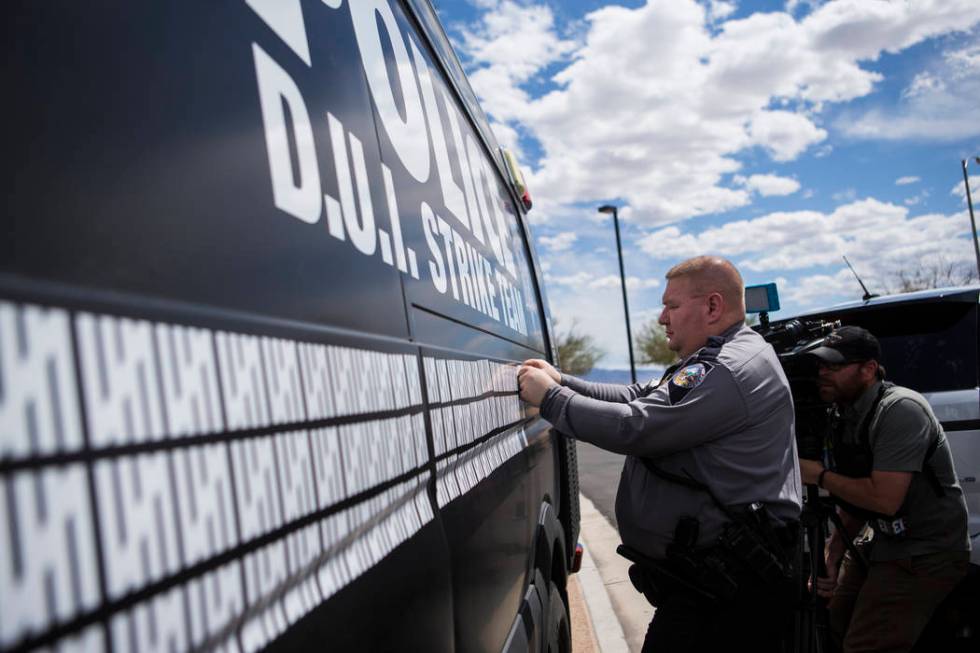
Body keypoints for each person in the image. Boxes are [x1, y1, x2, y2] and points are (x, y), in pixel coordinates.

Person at [518, 255, 802, 652]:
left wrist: (552, 400)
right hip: (711, 584)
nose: (661, 318)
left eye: (672, 306)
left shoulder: (728, 368)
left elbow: (637, 426)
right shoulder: (718, 356)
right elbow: (641, 397)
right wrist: (563, 381)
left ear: (713, 306)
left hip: (727, 592)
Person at [799, 326, 971, 652]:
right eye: (821, 366)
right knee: (833, 624)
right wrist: (833, 554)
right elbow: (853, 492)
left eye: (834, 367)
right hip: (884, 542)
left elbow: (883, 498)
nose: (823, 374)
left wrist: (820, 476)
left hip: (926, 550)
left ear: (869, 369)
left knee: (867, 645)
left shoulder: (900, 409)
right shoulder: (844, 413)